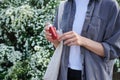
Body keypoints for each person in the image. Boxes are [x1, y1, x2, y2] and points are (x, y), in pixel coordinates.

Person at [44, 0, 120, 80]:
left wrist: (83, 41)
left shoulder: (109, 5)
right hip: (64, 74)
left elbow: (113, 50)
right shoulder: (63, 6)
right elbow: (59, 47)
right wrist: (54, 40)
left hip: (94, 75)